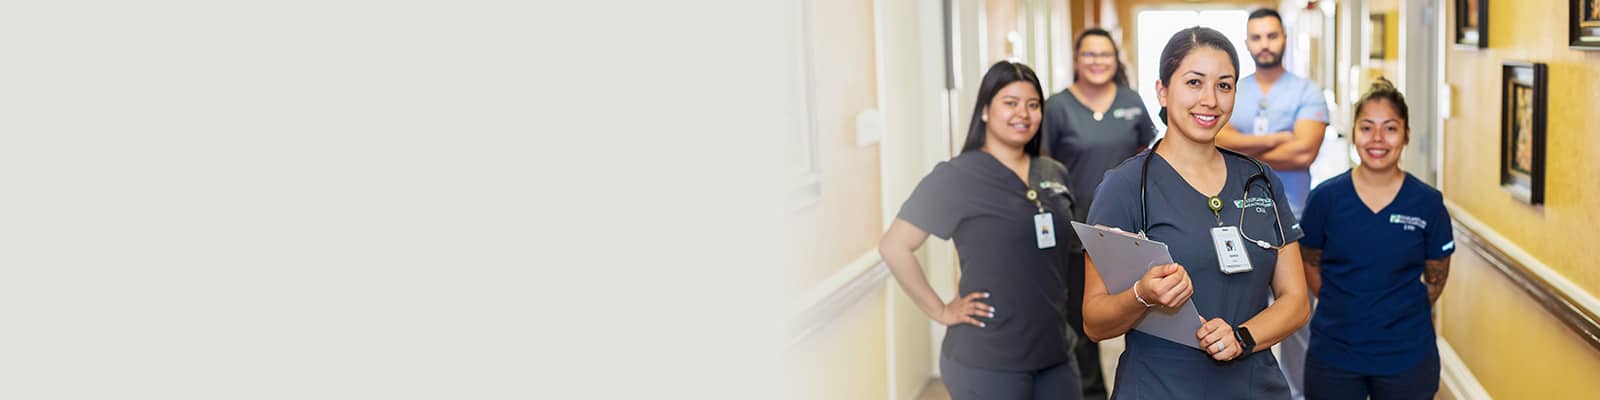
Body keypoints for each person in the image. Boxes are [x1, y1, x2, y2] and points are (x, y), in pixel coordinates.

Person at [1080, 26, 1310, 399]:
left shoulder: (1258, 179)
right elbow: (1094, 320)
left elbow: (1296, 300)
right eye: (1193, 82)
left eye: (1224, 85)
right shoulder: (1124, 187)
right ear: (1162, 91)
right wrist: (1142, 294)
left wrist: (1242, 337)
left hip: (1254, 388)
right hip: (1160, 387)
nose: (1210, 100)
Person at [879, 60, 1082, 399]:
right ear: (986, 110)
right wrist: (942, 310)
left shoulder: (1053, 171)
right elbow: (894, 246)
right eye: (1010, 103)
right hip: (988, 358)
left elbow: (1067, 249)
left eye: (1033, 105)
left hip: (1055, 351)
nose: (1024, 113)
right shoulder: (957, 176)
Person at [1298, 78, 1453, 400]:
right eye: (1367, 128)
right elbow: (1310, 259)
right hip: (1334, 354)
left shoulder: (1427, 203)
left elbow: (1437, 274)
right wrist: (1346, 306)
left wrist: (1397, 313)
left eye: (1390, 128)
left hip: (1407, 356)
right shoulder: (1325, 199)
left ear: (1406, 134)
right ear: (1353, 132)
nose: (1378, 139)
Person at [1215, 10, 1332, 398]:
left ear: (1284, 38)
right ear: (1247, 43)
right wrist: (1280, 137)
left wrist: (1242, 145)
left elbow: (1304, 153)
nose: (1264, 44)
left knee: (1297, 318)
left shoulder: (1307, 91)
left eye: (1271, 36)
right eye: (1256, 37)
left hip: (1293, 221)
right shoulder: (1233, 88)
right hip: (1236, 221)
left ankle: (1298, 394)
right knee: (1243, 318)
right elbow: (1217, 139)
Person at [1042, 27, 1155, 400]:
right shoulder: (1058, 106)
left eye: (1105, 54)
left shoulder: (1131, 101)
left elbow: (1149, 156)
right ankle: (1091, 394)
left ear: (1115, 60)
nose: (1097, 62)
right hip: (1078, 233)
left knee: (1144, 314)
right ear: (1076, 60)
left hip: (1132, 230)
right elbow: (1043, 166)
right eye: (1089, 54)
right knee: (1085, 321)